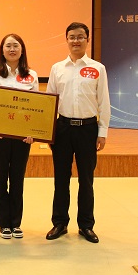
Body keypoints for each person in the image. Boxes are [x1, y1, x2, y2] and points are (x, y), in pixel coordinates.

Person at [45, 22, 110, 243]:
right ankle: (59, 223)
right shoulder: (57, 68)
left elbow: (104, 102)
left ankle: (86, 225)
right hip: (62, 129)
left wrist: (102, 132)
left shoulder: (98, 68)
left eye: (80, 37)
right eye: (72, 37)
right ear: (66, 40)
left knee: (86, 180)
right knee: (61, 179)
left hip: (88, 129)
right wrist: (48, 131)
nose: (76, 41)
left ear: (87, 40)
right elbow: (49, 102)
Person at [0, 34, 39, 240]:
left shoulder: (32, 75)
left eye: (16, 45)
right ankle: (3, 223)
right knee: (0, 179)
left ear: (22, 49)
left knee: (17, 179)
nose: (12, 49)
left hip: (22, 137)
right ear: (2, 50)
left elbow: (37, 106)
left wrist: (33, 131)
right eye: (8, 46)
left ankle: (16, 223)